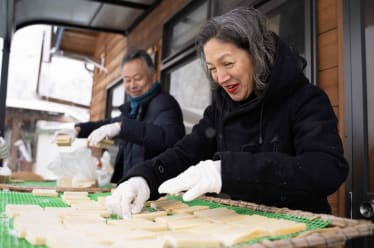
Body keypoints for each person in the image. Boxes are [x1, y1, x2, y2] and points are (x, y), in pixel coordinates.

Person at [106, 7, 349, 217]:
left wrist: (227, 170)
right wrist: (144, 178)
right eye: (212, 68)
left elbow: (326, 169)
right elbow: (184, 153)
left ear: (257, 54)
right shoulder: (221, 109)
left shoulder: (304, 99)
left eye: (228, 63)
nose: (220, 78)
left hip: (303, 232)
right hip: (239, 230)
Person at [55, 49, 185, 183]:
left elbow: (170, 137)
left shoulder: (164, 103)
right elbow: (105, 125)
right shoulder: (132, 108)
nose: (132, 85)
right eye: (127, 80)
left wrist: (122, 127)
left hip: (157, 185)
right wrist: (77, 130)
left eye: (138, 78)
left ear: (152, 75)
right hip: (132, 184)